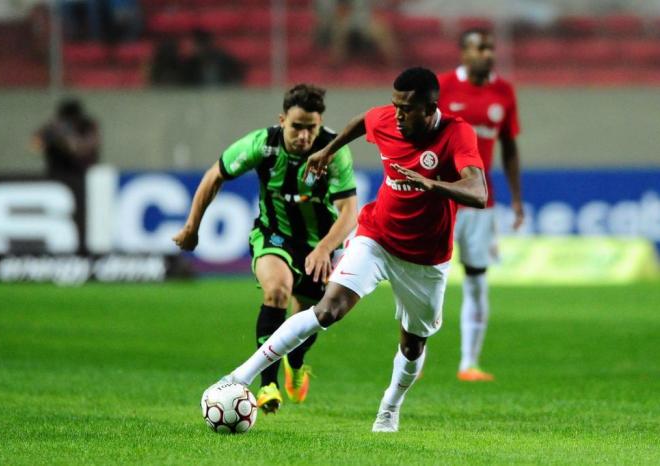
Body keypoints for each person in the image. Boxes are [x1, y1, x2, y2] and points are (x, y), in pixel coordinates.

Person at [217, 67, 487, 432]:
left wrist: (431, 184)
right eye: (395, 106)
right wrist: (328, 150)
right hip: (376, 238)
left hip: (425, 261)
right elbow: (364, 121)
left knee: (412, 347)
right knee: (327, 310)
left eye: (406, 109)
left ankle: (390, 406)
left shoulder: (457, 133)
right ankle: (238, 377)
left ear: (429, 108)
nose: (397, 115)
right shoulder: (388, 120)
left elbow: (478, 192)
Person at [173, 84, 358, 414]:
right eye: (296, 127)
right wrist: (191, 227)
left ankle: (297, 364)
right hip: (274, 235)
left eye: (310, 128)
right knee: (276, 291)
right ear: (282, 119)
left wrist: (325, 248)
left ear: (320, 124)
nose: (303, 136)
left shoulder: (334, 150)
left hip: (321, 243)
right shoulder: (263, 144)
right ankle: (267, 385)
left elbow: (349, 211)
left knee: (313, 316)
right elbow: (215, 175)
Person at [438, 28, 524, 382]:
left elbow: (510, 147)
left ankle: (468, 364)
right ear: (463, 52)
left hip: (480, 202)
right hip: (443, 198)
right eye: (479, 48)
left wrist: (516, 199)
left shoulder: (503, 91)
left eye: (490, 48)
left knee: (476, 281)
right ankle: (414, 355)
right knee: (429, 279)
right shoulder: (442, 87)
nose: (487, 54)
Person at [33, 98, 100, 180]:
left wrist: (66, 138)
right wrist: (51, 133)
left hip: (82, 174)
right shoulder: (54, 128)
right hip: (57, 174)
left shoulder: (87, 126)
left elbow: (80, 150)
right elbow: (36, 145)